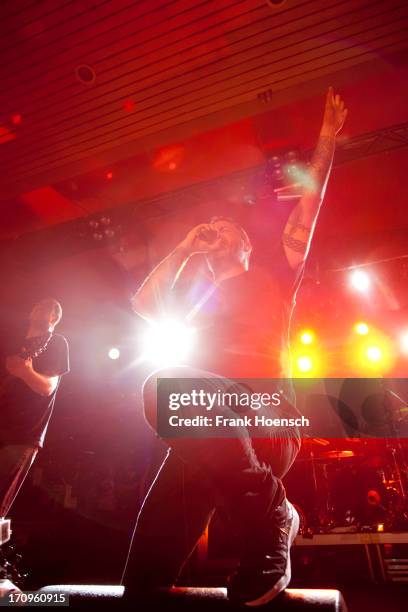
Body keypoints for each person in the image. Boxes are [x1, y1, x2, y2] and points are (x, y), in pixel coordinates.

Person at [122, 88, 347, 605]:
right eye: (211, 230)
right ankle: (271, 513)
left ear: (245, 246)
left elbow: (308, 212)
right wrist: (183, 246)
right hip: (209, 441)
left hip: (269, 422)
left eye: (225, 229)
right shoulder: (200, 305)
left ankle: (271, 513)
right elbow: (144, 304)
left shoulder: (273, 273)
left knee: (165, 384)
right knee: (141, 585)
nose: (215, 232)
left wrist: (327, 140)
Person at [0, 298, 69, 520]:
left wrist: (26, 372)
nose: (42, 309)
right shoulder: (11, 341)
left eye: (49, 309)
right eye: (39, 305)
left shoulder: (57, 343)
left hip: (22, 433)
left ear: (55, 319)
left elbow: (48, 386)